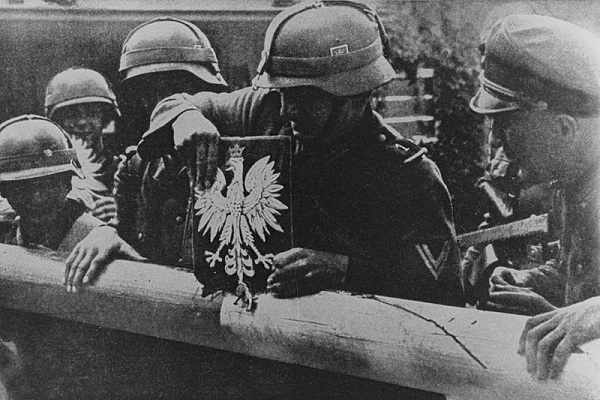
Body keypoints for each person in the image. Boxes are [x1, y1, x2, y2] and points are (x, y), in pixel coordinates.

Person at [129, 0, 464, 306]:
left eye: (307, 98)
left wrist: (347, 270)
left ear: (356, 95)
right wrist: (187, 119)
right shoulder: (264, 111)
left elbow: (443, 290)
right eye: (282, 93)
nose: (288, 110)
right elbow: (179, 104)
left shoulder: (408, 177)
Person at [469, 14, 600, 379]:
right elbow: (581, 273)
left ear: (564, 128)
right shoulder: (571, 178)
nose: (496, 142)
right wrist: (533, 281)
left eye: (508, 127)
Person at [0, 115, 144, 398]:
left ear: (68, 181)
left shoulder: (96, 241)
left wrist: (110, 236)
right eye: (24, 187)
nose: (37, 197)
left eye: (49, 184)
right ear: (5, 191)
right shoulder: (9, 239)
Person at [45, 67, 121, 223]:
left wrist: (122, 212)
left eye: (92, 113)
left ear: (105, 118)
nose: (82, 122)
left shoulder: (125, 169)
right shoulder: (47, 175)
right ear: (57, 121)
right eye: (72, 115)